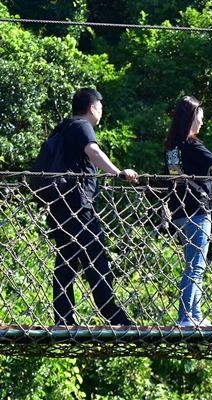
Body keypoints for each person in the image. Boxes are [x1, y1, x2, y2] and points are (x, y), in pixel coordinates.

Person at [48, 88, 138, 326]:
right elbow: (94, 152)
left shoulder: (64, 127)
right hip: (79, 208)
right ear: (91, 107)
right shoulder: (82, 126)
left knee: (67, 261)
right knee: (96, 260)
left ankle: (64, 319)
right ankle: (114, 316)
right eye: (100, 106)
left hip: (61, 207)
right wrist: (118, 172)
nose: (101, 111)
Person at [164, 95, 212, 327]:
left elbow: (175, 177)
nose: (202, 122)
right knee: (196, 266)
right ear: (191, 118)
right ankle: (186, 317)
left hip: (179, 212)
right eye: (200, 118)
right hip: (197, 211)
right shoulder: (192, 145)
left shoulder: (172, 147)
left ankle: (194, 314)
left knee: (193, 264)